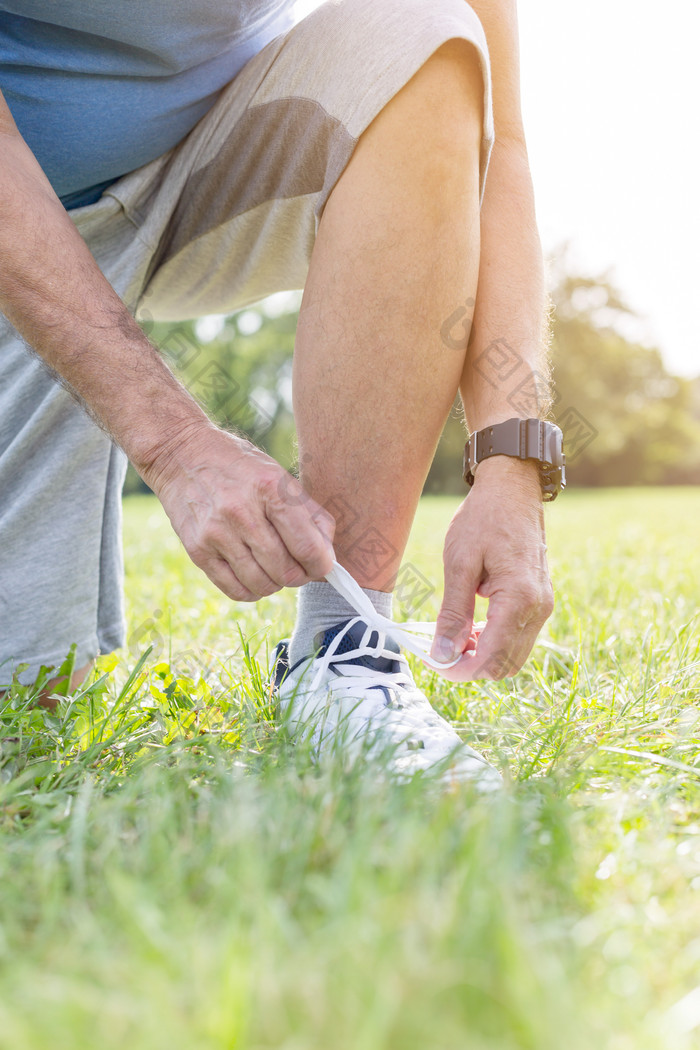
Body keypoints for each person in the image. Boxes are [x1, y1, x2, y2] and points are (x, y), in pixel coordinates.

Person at [0, 0, 554, 785]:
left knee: (425, 35)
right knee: (21, 703)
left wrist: (511, 459)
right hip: (22, 203)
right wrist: (174, 443)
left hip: (207, 154)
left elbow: (505, 149)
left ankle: (343, 653)